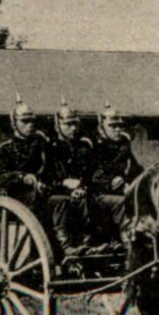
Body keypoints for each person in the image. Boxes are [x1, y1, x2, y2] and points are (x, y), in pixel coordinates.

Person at [47, 99, 97, 254]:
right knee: (63, 201)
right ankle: (65, 246)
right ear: (57, 126)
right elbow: (45, 179)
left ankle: (87, 244)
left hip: (73, 195)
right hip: (52, 196)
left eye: (75, 124)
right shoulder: (48, 149)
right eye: (68, 124)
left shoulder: (80, 148)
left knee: (88, 198)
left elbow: (87, 174)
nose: (73, 128)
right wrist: (64, 184)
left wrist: (81, 187)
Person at [0, 97, 53, 213]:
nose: (30, 125)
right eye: (24, 121)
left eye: (32, 121)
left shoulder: (40, 146)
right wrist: (23, 177)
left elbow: (48, 171)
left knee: (61, 201)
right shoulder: (5, 149)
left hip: (39, 192)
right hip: (16, 197)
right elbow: (0, 177)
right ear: (14, 124)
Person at [88, 105, 142, 233]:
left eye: (120, 126)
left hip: (119, 191)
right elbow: (92, 177)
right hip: (97, 195)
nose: (118, 129)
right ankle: (126, 238)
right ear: (102, 127)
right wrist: (114, 182)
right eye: (113, 126)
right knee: (123, 202)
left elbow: (135, 168)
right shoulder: (93, 146)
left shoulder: (123, 144)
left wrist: (129, 180)